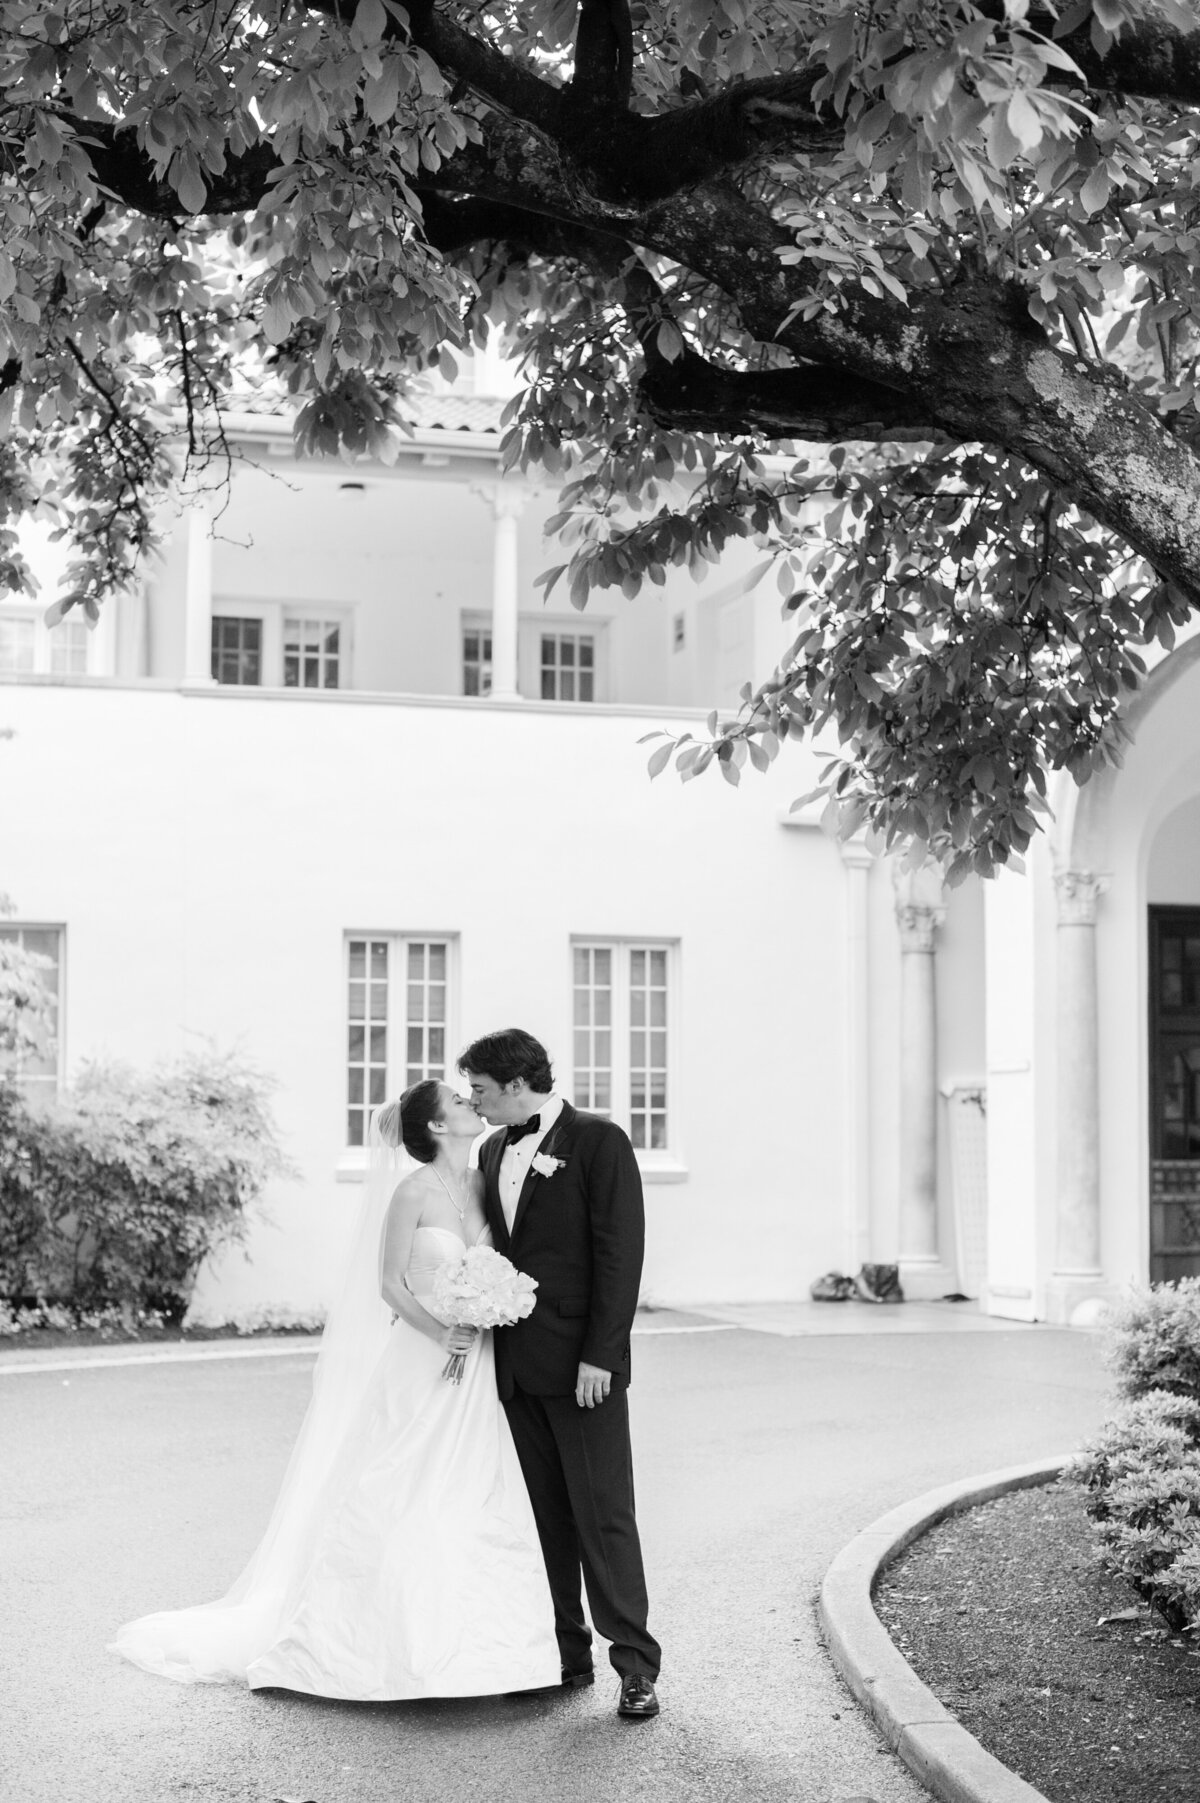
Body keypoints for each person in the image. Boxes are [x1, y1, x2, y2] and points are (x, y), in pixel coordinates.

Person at [110, 1081, 560, 1700]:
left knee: (473, 1485)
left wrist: (489, 1309)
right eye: (459, 1102)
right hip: (424, 1355)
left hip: (478, 1360)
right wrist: (441, 1331)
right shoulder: (410, 1192)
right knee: (400, 1482)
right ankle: (372, 1644)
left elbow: (498, 1263)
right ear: (435, 1126)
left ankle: (480, 1645)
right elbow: (390, 1285)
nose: (471, 1106)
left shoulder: (485, 1181)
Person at [460, 1028, 662, 1720]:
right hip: (515, 1371)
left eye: (480, 1089)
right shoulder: (490, 1150)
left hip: (584, 1370)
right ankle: (566, 1655)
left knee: (604, 1516)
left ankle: (635, 1666)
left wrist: (601, 1355)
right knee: (545, 1520)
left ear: (516, 1083)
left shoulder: (600, 1143)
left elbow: (619, 1254)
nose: (474, 1102)